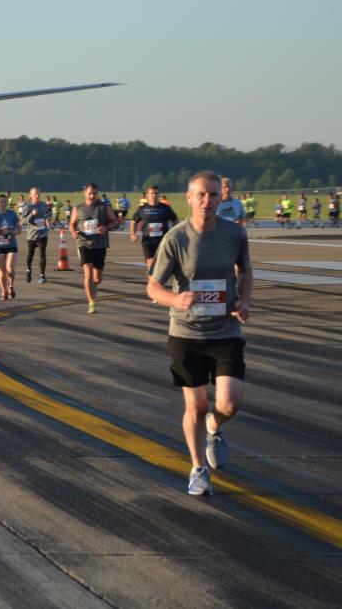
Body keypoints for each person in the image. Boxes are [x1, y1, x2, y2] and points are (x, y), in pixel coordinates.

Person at [147, 171, 252, 496]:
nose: (208, 201)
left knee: (229, 403)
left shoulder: (234, 235)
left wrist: (245, 299)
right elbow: (153, 285)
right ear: (189, 198)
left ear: (222, 198)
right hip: (186, 333)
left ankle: (214, 427)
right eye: (201, 195)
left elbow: (245, 270)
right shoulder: (176, 238)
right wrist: (176, 299)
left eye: (214, 195)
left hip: (225, 330)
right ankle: (197, 468)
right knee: (196, 405)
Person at [70, 182, 119, 314]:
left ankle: (93, 286)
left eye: (94, 194)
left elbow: (115, 222)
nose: (92, 196)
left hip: (100, 245)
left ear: (97, 194)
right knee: (88, 273)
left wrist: (106, 227)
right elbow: (72, 224)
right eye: (90, 193)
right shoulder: (78, 208)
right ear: (85, 193)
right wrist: (73, 232)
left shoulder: (104, 207)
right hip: (84, 243)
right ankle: (92, 302)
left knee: (97, 278)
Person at [131, 185, 180, 273]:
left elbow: (176, 220)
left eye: (156, 193)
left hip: (162, 241)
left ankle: (155, 283)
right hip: (147, 241)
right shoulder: (142, 209)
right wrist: (133, 234)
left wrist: (173, 233)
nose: (154, 195)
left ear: (159, 195)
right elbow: (133, 221)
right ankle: (152, 283)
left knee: (160, 266)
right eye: (152, 193)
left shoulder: (165, 208)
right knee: (151, 266)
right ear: (147, 195)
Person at [0, 194, 20, 300]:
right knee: (2, 272)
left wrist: (11, 232)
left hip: (11, 245)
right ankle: (4, 290)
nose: (3, 204)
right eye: (1, 202)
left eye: (5, 202)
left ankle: (11, 286)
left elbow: (19, 230)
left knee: (10, 269)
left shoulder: (12, 214)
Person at [23, 187, 50, 284]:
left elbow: (47, 215)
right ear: (30, 195)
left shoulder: (43, 205)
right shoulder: (27, 206)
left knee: (42, 254)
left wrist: (48, 221)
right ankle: (28, 270)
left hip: (42, 234)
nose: (37, 196)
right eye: (35, 194)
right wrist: (31, 214)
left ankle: (42, 275)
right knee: (30, 255)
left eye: (38, 194)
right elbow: (23, 221)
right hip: (31, 236)